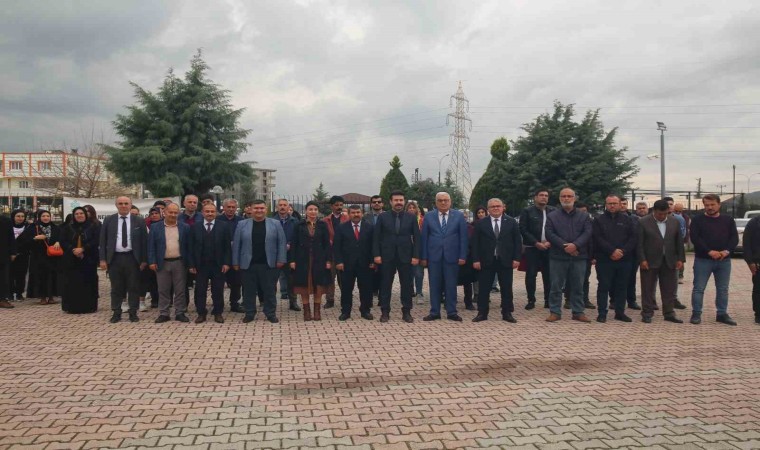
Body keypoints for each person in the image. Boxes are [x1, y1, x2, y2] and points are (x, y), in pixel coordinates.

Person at [233, 199, 287, 324]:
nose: (259, 210)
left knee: (269, 291)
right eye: (256, 208)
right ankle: (249, 313)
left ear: (266, 209)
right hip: (248, 264)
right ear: (251, 210)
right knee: (248, 291)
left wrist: (281, 259)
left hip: (269, 264)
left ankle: (270, 313)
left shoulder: (275, 224)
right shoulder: (242, 224)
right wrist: (235, 262)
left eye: (261, 208)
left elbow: (281, 243)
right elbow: (236, 245)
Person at [689, 194, 739, 325]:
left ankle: (722, 314)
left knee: (723, 289)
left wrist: (726, 251)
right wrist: (709, 251)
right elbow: (695, 238)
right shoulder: (697, 220)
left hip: (724, 260)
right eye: (707, 205)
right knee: (699, 288)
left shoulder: (728, 220)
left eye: (712, 204)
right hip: (703, 260)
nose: (710, 207)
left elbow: (734, 238)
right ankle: (696, 313)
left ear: (719, 204)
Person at [545, 188, 592, 323]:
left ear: (574, 198)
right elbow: (549, 233)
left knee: (578, 286)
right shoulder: (552, 216)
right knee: (556, 286)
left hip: (578, 256)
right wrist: (566, 246)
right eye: (563, 196)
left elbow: (587, 232)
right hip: (558, 256)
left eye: (569, 196)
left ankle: (578, 312)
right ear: (560, 198)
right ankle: (555, 312)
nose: (566, 198)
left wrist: (575, 245)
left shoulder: (584, 216)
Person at [373, 190, 420, 323]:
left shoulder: (411, 217)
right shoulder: (383, 217)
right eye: (396, 200)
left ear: (404, 201)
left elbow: (417, 237)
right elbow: (376, 237)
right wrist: (376, 254)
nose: (398, 202)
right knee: (385, 285)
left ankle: (406, 311)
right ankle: (385, 312)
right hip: (387, 256)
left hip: (406, 256)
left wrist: (416, 256)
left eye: (401, 200)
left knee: (407, 285)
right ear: (390, 202)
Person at [471, 198, 522, 322]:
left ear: (503, 207)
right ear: (488, 209)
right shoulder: (481, 223)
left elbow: (517, 242)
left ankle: (507, 313)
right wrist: (475, 259)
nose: (495, 208)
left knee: (506, 288)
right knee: (484, 288)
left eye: (498, 206)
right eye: (492, 206)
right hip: (486, 261)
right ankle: (482, 313)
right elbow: (475, 243)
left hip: (505, 260)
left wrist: (517, 258)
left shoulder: (511, 222)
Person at [420, 192, 468, 322]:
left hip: (452, 257)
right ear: (436, 202)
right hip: (433, 257)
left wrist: (463, 255)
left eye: (446, 200)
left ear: (450, 201)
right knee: (434, 285)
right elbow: (424, 238)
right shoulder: (428, 216)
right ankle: (434, 312)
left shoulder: (458, 216)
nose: (443, 202)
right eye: (440, 200)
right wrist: (423, 257)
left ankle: (452, 312)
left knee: (451, 285)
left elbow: (463, 238)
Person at [100, 196, 148, 323]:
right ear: (116, 205)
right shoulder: (109, 220)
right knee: (116, 287)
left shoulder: (139, 221)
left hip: (133, 258)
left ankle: (133, 312)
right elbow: (103, 240)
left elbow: (144, 241)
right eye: (120, 203)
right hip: (114, 258)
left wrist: (144, 260)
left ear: (130, 205)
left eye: (126, 203)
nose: (123, 206)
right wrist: (103, 259)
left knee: (133, 286)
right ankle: (116, 312)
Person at [637, 199, 685, 323]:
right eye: (660, 214)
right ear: (654, 211)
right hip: (649, 261)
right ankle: (647, 313)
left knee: (669, 288)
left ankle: (669, 313)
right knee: (647, 288)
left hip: (669, 260)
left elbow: (679, 241)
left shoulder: (674, 221)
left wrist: (680, 259)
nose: (662, 216)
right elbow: (639, 243)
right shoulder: (643, 222)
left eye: (665, 213)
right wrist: (642, 259)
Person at [593, 194, 637, 323]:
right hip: (605, 259)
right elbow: (597, 238)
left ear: (619, 204)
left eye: (615, 203)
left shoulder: (628, 220)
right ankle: (602, 313)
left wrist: (622, 251)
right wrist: (612, 251)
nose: (612, 206)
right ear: (606, 205)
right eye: (609, 203)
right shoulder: (598, 220)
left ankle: (620, 312)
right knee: (603, 286)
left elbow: (633, 238)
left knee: (622, 286)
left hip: (624, 259)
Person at [148, 203, 191, 323]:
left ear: (178, 213)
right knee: (163, 289)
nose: (172, 214)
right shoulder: (155, 227)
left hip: (180, 262)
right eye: (170, 212)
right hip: (162, 263)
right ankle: (164, 313)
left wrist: (189, 263)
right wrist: (152, 261)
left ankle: (180, 312)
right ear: (164, 213)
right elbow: (151, 246)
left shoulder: (185, 227)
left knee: (180, 290)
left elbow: (189, 246)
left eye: (175, 212)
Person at [189, 203, 231, 324]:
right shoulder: (195, 227)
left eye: (212, 211)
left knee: (217, 290)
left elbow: (227, 247)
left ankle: (218, 313)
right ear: (202, 212)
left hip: (218, 265)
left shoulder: (224, 226)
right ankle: (201, 313)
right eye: (207, 211)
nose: (210, 214)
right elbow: (190, 247)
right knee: (200, 290)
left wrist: (227, 263)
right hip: (200, 265)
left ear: (216, 213)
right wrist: (191, 264)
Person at [288, 201, 330, 321]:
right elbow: (294, 243)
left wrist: (328, 260)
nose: (313, 212)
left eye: (315, 209)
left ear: (318, 211)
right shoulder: (299, 225)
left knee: (318, 286)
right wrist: (292, 260)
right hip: (302, 260)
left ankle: (317, 311)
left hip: (319, 260)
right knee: (304, 286)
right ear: (306, 211)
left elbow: (327, 244)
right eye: (310, 209)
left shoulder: (323, 225)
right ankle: (306, 311)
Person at [334, 205, 375, 320]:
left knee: (366, 289)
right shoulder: (341, 227)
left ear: (362, 213)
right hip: (346, 264)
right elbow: (337, 246)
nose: (356, 214)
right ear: (349, 214)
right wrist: (339, 261)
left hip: (365, 263)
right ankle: (345, 312)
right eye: (353, 212)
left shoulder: (370, 227)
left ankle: (365, 311)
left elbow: (373, 245)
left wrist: (372, 260)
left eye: (358, 212)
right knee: (346, 289)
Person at [519, 188, 555, 310]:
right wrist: (536, 242)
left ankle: (548, 300)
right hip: (532, 248)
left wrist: (550, 241)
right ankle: (531, 300)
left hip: (549, 248)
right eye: (541, 195)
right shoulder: (527, 211)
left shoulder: (553, 211)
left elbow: (557, 228)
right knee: (531, 274)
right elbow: (523, 229)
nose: (544, 197)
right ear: (535, 197)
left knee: (548, 275)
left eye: (546, 195)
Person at [59, 206, 99, 314]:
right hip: (71, 260)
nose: (79, 215)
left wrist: (83, 249)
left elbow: (96, 240)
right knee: (72, 283)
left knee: (88, 282)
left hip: (88, 259)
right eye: (76, 214)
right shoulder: (67, 227)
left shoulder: (93, 226)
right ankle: (72, 307)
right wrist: (73, 250)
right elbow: (63, 241)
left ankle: (89, 306)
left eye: (81, 213)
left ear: (85, 215)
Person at [21, 210, 61, 305]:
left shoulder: (55, 227)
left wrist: (58, 241)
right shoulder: (33, 227)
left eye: (47, 216)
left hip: (52, 256)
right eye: (43, 216)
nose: (46, 218)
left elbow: (62, 237)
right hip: (38, 256)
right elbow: (23, 240)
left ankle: (51, 296)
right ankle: (42, 296)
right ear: (39, 217)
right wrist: (35, 238)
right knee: (40, 276)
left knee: (51, 275)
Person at [272, 198, 300, 311]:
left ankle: (293, 302)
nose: (282, 207)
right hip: (275, 256)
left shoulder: (295, 222)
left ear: (289, 207)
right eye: (280, 205)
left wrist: (290, 245)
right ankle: (271, 303)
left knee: (292, 280)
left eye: (285, 205)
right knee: (272, 281)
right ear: (277, 207)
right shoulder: (271, 221)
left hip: (290, 255)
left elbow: (298, 238)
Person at [217, 198, 244, 312]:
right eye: (229, 207)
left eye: (233, 207)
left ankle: (234, 303)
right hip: (220, 256)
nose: (231, 209)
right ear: (223, 207)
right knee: (218, 282)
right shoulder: (217, 220)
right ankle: (218, 304)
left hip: (236, 256)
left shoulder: (241, 221)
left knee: (236, 282)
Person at [322, 195, 349, 308]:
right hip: (331, 254)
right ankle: (330, 300)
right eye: (336, 205)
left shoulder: (347, 219)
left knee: (344, 278)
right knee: (330, 278)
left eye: (341, 205)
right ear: (331, 206)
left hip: (344, 254)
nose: (339, 207)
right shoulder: (325, 220)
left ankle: (346, 299)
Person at [9, 209, 31, 302]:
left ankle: (19, 293)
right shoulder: (8, 226)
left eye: (22, 216)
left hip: (23, 255)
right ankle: (10, 294)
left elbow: (29, 241)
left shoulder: (28, 227)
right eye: (18, 216)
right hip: (10, 255)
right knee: (9, 274)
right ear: (13, 217)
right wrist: (12, 252)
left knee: (21, 275)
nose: (20, 218)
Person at [742, 213, 760, 325]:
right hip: (758, 263)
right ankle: (758, 314)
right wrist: (750, 261)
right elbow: (747, 243)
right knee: (758, 290)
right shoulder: (754, 223)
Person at [406, 201, 425, 299]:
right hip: (406, 250)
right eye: (410, 208)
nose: (412, 209)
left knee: (418, 273)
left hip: (419, 250)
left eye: (413, 207)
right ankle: (410, 291)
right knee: (408, 273)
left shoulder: (422, 220)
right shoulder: (404, 219)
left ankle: (419, 292)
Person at [368, 195, 384, 298]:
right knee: (370, 271)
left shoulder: (388, 216)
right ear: (371, 204)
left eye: (379, 202)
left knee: (384, 272)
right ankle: (372, 290)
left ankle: (382, 292)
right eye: (374, 202)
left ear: (382, 204)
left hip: (384, 248)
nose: (376, 203)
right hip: (369, 247)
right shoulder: (365, 217)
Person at [0, 213, 15, 308]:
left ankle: (3, 299)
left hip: (3, 254)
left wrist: (13, 252)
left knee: (3, 277)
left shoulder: (6, 221)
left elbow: (11, 237)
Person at [673, 203, 691, 283]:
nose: (677, 212)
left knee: (680, 258)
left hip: (682, 240)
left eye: (679, 211)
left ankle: (680, 275)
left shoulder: (686, 217)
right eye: (676, 211)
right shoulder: (672, 216)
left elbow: (686, 229)